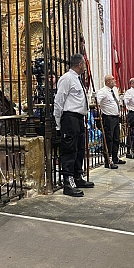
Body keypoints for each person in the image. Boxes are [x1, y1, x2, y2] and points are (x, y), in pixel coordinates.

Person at [53, 54, 94, 197]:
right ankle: (67, 183)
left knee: (79, 149)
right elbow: (59, 101)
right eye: (84, 63)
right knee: (69, 150)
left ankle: (77, 176)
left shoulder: (77, 79)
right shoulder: (67, 78)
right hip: (69, 118)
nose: (85, 66)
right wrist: (58, 123)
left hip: (79, 118)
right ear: (80, 64)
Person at [97, 75, 126, 169]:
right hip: (108, 118)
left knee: (116, 139)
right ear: (108, 81)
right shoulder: (102, 91)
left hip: (116, 117)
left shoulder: (115, 90)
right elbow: (97, 101)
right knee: (109, 139)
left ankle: (115, 157)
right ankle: (108, 160)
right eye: (113, 79)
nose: (115, 80)